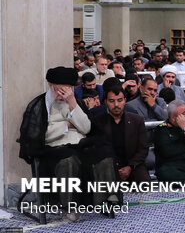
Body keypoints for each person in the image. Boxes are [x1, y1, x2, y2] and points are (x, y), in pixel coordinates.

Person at [18, 67, 118, 221]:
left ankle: (105, 197)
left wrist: (72, 104)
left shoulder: (75, 101)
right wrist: (66, 125)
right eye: (60, 89)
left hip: (80, 145)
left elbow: (86, 128)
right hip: (53, 150)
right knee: (68, 160)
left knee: (105, 154)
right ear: (51, 85)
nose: (63, 93)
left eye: (68, 89)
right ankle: (68, 207)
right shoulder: (39, 105)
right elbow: (41, 134)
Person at [91, 79, 150, 182]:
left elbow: (143, 149)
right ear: (105, 102)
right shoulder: (98, 121)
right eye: (112, 101)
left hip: (133, 165)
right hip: (107, 166)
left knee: (145, 184)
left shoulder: (137, 120)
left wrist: (130, 167)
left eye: (119, 100)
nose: (116, 105)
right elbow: (96, 148)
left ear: (125, 101)